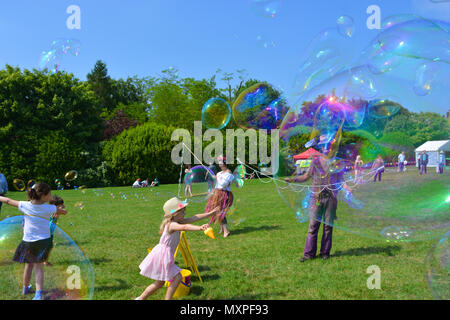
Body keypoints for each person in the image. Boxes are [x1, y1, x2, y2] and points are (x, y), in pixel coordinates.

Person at [135, 197, 218, 300]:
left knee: (159, 283)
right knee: (177, 277)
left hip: (163, 255)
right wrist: (200, 228)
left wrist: (210, 214)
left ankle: (140, 299)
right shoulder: (171, 225)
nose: (185, 213)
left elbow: (195, 218)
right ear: (175, 214)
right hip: (163, 256)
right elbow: (185, 227)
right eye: (183, 211)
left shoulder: (177, 222)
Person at [0, 182, 67, 300]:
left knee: (28, 266)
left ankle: (25, 288)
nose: (50, 196)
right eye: (49, 194)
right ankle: (38, 293)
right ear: (44, 196)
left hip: (28, 241)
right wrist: (62, 211)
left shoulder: (25, 205)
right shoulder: (49, 208)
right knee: (38, 268)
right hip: (42, 242)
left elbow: (8, 201)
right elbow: (62, 211)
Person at [284, 152, 352, 262]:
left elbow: (340, 179)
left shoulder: (336, 162)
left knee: (328, 227)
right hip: (316, 198)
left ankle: (325, 253)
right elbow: (306, 176)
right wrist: (293, 179)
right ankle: (309, 254)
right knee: (313, 227)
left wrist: (347, 188)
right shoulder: (315, 162)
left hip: (331, 198)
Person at [204, 156, 235, 238]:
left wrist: (217, 178)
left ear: (225, 163)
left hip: (224, 195)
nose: (219, 163)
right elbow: (217, 184)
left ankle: (226, 230)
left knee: (220, 212)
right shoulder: (219, 173)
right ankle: (222, 228)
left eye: (220, 161)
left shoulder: (229, 174)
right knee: (216, 211)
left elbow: (223, 185)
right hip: (217, 193)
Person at [44, 195, 65, 266]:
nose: (63, 206)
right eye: (61, 204)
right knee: (48, 247)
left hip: (50, 232)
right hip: (47, 232)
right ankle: (45, 261)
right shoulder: (54, 212)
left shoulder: (54, 211)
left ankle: (44, 260)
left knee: (49, 247)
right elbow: (61, 212)